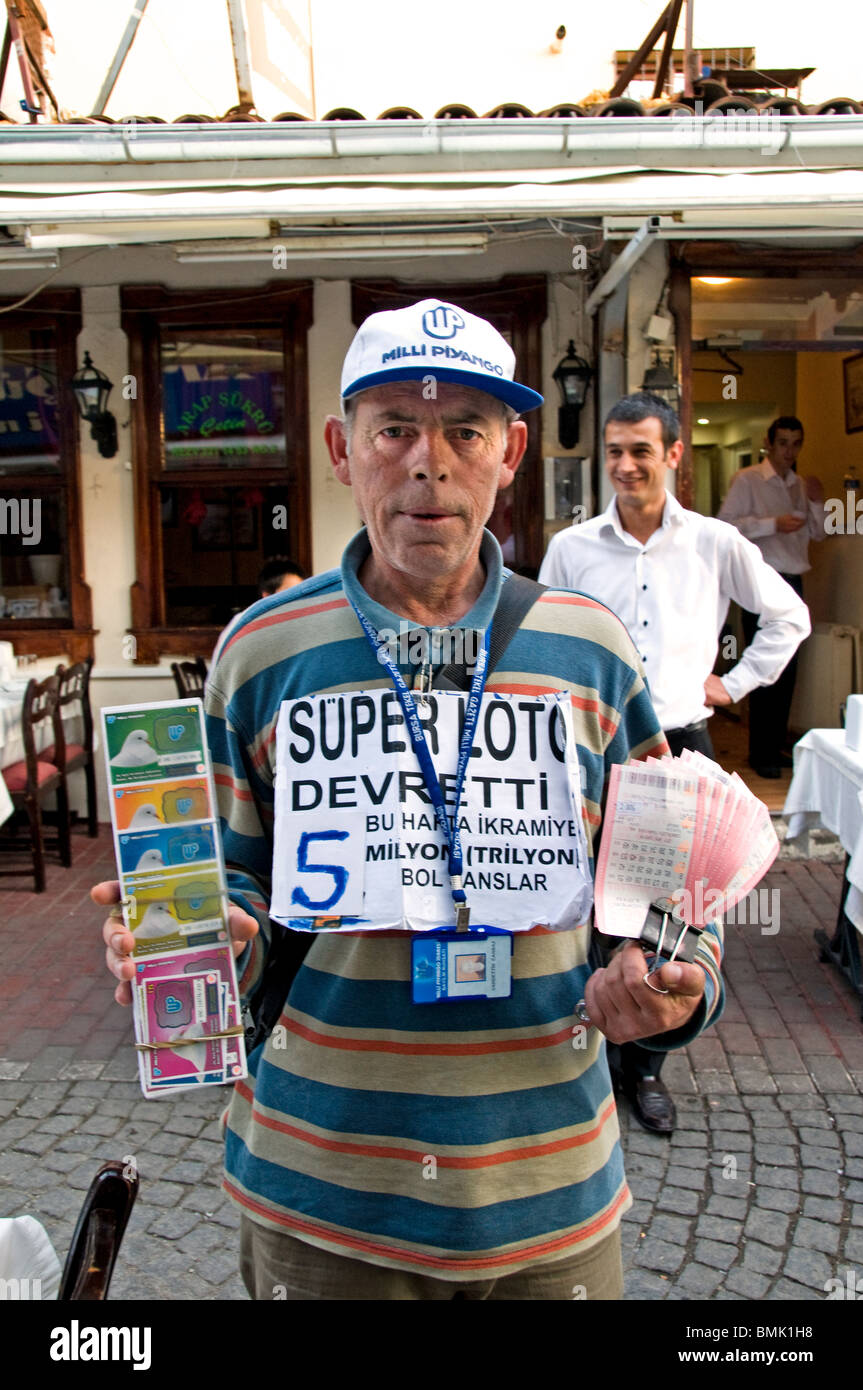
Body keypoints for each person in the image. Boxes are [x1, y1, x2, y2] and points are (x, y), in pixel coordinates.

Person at [95, 302, 724, 1302]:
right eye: (395, 428)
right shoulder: (259, 655)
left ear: (509, 451)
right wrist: (200, 941)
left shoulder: (590, 649)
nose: (428, 462)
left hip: (550, 1196)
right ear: (344, 449)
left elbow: (671, 894)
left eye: (463, 431)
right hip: (323, 1203)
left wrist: (669, 980)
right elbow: (236, 901)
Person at [539, 392, 809, 1135]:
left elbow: (789, 616)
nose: (624, 466)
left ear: (673, 455)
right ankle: (590, 1059)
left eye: (640, 451)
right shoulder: (572, 547)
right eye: (614, 451)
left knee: (671, 920)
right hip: (593, 755)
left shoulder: (715, 541)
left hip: (680, 746)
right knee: (593, 904)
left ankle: (648, 1066)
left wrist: (734, 682)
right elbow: (556, 639)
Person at [718, 417, 826, 777]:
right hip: (759, 581)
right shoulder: (748, 479)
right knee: (761, 665)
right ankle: (759, 752)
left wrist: (815, 502)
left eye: (796, 443)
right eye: (783, 443)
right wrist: (772, 524)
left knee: (788, 669)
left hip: (794, 579)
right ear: (769, 442)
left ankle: (776, 746)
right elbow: (726, 525)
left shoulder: (800, 483)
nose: (789, 452)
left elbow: (822, 535)